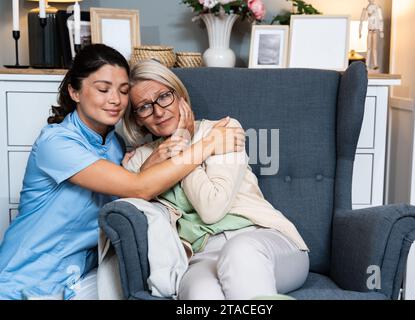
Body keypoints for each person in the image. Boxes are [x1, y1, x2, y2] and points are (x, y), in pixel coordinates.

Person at [0, 44, 244, 300]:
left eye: (123, 91)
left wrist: (151, 162)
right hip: (26, 280)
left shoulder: (115, 145)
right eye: (103, 89)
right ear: (74, 91)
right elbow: (139, 187)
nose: (115, 99)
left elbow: (126, 196)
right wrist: (205, 144)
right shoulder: (56, 143)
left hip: (79, 280)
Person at [122, 59, 310, 300]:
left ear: (181, 97)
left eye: (164, 97)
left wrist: (184, 146)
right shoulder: (139, 160)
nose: (158, 111)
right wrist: (150, 164)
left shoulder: (223, 130)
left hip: (263, 241)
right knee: (200, 294)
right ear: (137, 118)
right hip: (200, 257)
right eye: (145, 107)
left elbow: (212, 208)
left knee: (240, 252)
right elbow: (132, 201)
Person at [359, 0, 384, 71]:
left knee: (374, 48)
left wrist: (381, 30)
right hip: (369, 31)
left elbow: (381, 19)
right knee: (369, 48)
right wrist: (359, 31)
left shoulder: (377, 8)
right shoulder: (366, 9)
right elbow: (361, 20)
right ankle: (367, 64)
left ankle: (375, 64)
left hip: (375, 31)